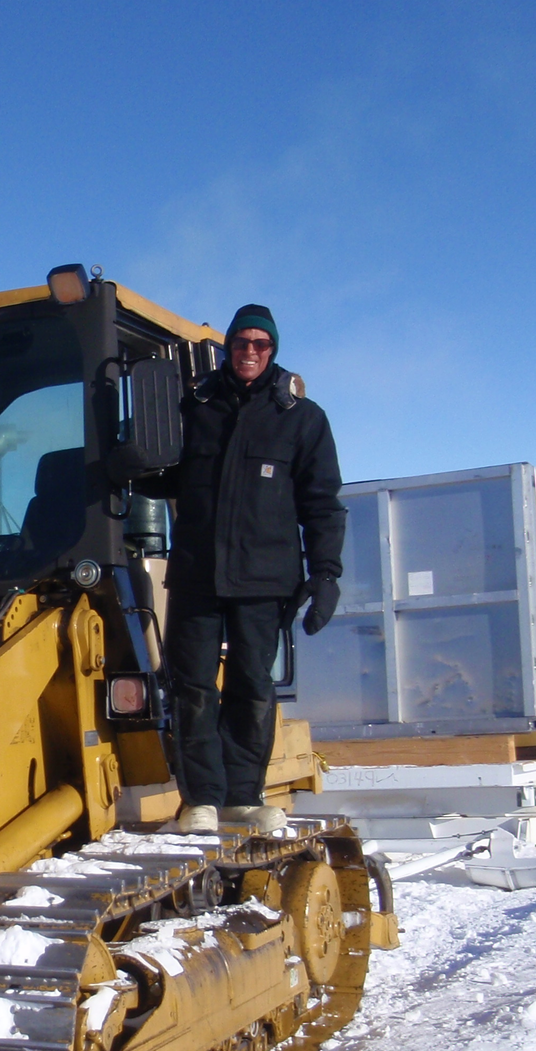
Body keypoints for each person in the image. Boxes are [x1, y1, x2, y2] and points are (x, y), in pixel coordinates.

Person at [133, 304, 346, 835]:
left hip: (263, 580)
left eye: (261, 344)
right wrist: (129, 467)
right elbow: (168, 476)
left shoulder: (301, 417)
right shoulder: (195, 406)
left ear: (273, 351)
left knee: (253, 684)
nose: (250, 351)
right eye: (242, 342)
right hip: (198, 576)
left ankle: (243, 795)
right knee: (193, 686)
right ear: (229, 347)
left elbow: (321, 502)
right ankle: (202, 798)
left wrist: (325, 573)